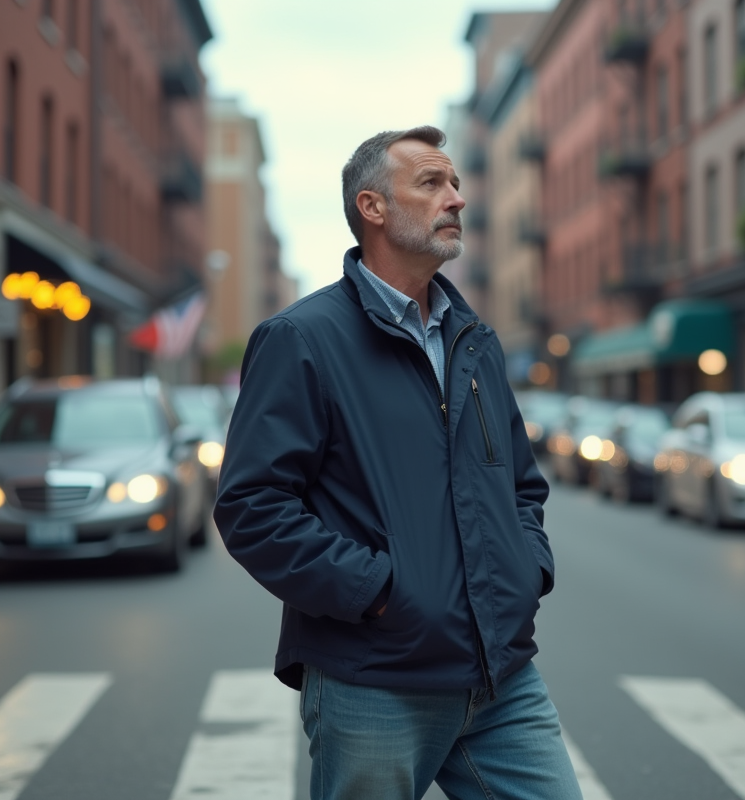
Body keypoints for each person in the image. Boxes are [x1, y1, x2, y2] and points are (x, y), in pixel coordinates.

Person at [214, 126, 582, 799]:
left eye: (457, 184)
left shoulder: (477, 342)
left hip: (501, 675)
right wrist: (378, 593)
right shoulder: (300, 340)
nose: (457, 200)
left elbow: (522, 488)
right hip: (374, 677)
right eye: (432, 184)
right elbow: (252, 507)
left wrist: (526, 570)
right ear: (372, 208)